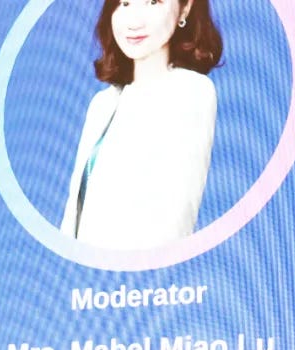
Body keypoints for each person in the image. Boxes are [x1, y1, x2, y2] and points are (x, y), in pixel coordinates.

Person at [60, 0, 223, 250]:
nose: (134, 21)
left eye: (152, 2)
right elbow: (73, 215)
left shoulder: (191, 92)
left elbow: (175, 216)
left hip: (139, 272)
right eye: (125, 3)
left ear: (185, 8)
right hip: (82, 272)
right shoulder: (102, 104)